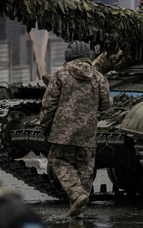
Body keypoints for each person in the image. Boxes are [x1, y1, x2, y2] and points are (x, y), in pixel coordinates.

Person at [40, 40, 112, 218]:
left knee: (58, 160)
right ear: (89, 57)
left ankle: (76, 195)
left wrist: (44, 126)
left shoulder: (60, 75)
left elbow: (49, 105)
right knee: (85, 168)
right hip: (87, 133)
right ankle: (80, 206)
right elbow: (105, 106)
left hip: (62, 132)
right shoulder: (99, 77)